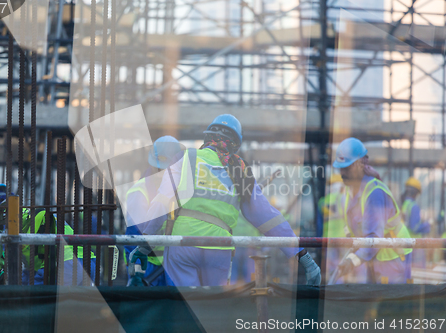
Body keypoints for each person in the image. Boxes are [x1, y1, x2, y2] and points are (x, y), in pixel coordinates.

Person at [131, 114, 321, 287]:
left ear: (207, 137)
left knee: (184, 308)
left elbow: (162, 203)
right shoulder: (239, 168)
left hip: (183, 244)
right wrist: (301, 254)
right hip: (219, 247)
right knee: (215, 306)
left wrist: (144, 244)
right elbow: (266, 216)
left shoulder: (186, 158)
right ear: (235, 144)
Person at [0, 182, 95, 285]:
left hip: (67, 266)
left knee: (32, 300)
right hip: (87, 263)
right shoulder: (29, 215)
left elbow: (2, 262)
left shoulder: (14, 223)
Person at [333, 138, 413, 284]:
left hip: (392, 257)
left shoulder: (374, 192)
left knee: (390, 304)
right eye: (340, 168)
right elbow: (352, 226)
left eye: (347, 167)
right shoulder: (348, 191)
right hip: (372, 256)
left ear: (360, 164)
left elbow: (374, 238)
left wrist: (352, 261)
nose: (342, 172)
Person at [125, 136, 184, 286]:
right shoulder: (140, 191)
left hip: (172, 265)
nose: (163, 171)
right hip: (148, 266)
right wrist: (137, 272)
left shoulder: (177, 190)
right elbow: (134, 237)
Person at [317, 174, 350, 283]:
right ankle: (341, 286)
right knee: (343, 263)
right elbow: (350, 217)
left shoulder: (322, 201)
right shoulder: (342, 198)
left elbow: (319, 224)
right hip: (342, 238)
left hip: (328, 238)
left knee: (331, 265)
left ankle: (333, 285)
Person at [401, 177, 430, 270]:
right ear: (416, 193)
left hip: (406, 243)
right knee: (418, 273)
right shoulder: (413, 206)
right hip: (415, 244)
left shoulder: (404, 205)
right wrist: (427, 225)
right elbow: (415, 228)